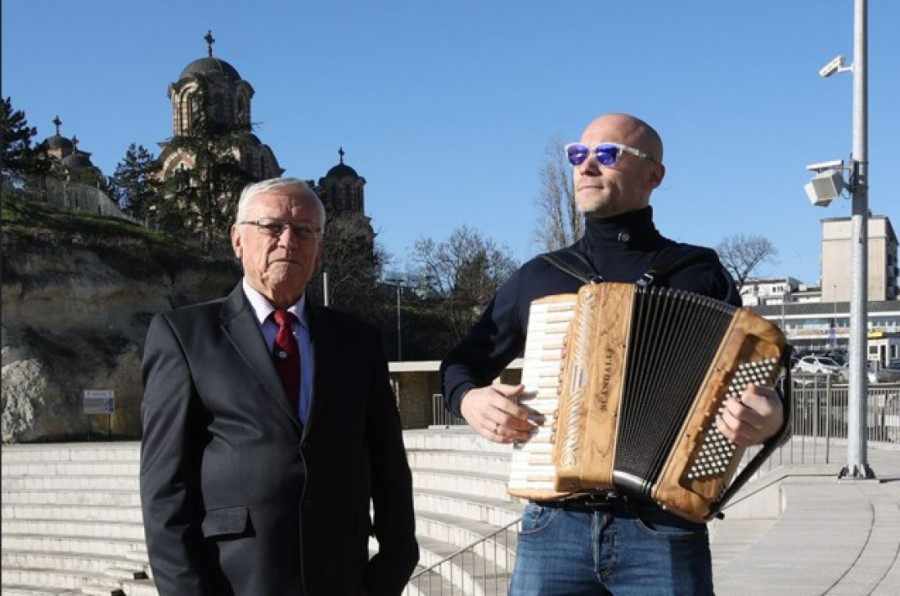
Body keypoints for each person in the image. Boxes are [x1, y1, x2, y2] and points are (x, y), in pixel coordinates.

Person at [440, 113, 787, 595]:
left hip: (664, 527)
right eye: (577, 154)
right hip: (553, 526)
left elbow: (757, 387)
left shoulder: (698, 272)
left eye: (607, 154)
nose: (586, 166)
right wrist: (469, 399)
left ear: (654, 175)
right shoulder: (540, 276)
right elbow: (460, 365)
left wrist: (769, 418)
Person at [140, 178, 418, 595]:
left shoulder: (358, 343)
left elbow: (389, 467)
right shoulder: (184, 337)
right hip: (236, 581)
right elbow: (165, 488)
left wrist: (389, 573)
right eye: (272, 227)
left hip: (339, 579)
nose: (288, 241)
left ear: (319, 250)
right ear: (238, 240)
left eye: (305, 231)